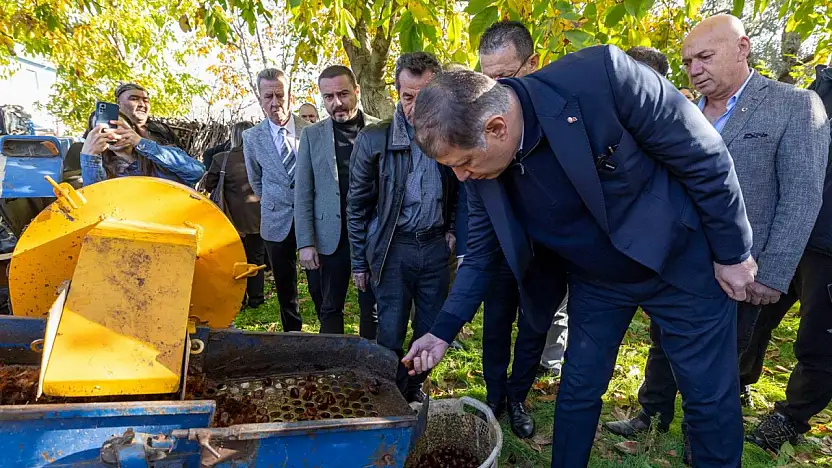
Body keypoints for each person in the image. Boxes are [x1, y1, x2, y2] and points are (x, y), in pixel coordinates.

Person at [404, 45, 758, 468]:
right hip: (596, 278)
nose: (462, 177)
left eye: (463, 164)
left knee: (708, 395)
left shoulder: (603, 77)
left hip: (679, 260)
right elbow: (480, 254)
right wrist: (441, 331)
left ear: (497, 127)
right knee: (578, 388)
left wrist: (733, 252)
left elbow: (705, 156)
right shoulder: (479, 167)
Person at [604, 15, 830, 463]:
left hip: (743, 273)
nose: (695, 69)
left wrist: (775, 273)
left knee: (717, 368)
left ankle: (700, 443)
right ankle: (652, 411)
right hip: (676, 261)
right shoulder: (680, 106)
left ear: (743, 47)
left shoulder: (795, 105)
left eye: (705, 57)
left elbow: (802, 194)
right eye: (688, 62)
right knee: (664, 339)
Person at [459, 19, 564, 439]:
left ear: (533, 63)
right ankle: (494, 394)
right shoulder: (481, 125)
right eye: (487, 79)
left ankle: (518, 396)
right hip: (498, 250)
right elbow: (472, 196)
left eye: (504, 77)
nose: (496, 90)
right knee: (496, 324)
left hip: (547, 254)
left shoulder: (560, 117)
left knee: (534, 325)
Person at [347, 52, 457, 402]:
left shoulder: (450, 133)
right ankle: (386, 393)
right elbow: (357, 206)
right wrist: (360, 262)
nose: (415, 106)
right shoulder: (374, 139)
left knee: (431, 327)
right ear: (398, 94)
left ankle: (412, 389)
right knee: (390, 331)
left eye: (424, 96)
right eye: (408, 97)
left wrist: (453, 230)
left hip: (436, 248)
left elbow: (464, 186)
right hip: (393, 248)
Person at [744, 64, 832, 452]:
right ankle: (737, 384)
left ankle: (789, 418)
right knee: (755, 316)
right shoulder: (823, 86)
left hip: (829, 246)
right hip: (789, 229)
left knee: (819, 340)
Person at [295, 65, 380, 335]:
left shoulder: (381, 129)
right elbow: (304, 192)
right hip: (330, 236)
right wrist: (306, 242)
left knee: (373, 307)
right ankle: (331, 370)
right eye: (328, 97)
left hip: (372, 234)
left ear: (357, 91)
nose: (337, 103)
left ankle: (370, 367)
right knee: (330, 307)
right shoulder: (311, 135)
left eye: (343, 94)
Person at [243, 68, 311, 332]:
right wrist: (274, 201)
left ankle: (328, 331)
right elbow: (256, 180)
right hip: (275, 219)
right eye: (268, 96)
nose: (275, 103)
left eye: (279, 96)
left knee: (318, 282)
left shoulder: (311, 131)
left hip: (310, 218)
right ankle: (292, 333)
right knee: (285, 284)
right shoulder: (251, 138)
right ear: (259, 98)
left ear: (289, 95)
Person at [204, 121, 265, 309]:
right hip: (259, 216)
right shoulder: (262, 157)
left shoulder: (221, 159)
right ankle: (256, 297)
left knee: (233, 259)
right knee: (256, 258)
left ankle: (237, 297)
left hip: (231, 218)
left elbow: (209, 185)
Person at [80, 113, 204, 187]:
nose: (112, 134)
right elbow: (96, 203)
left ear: (132, 128)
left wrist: (140, 143)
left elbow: (197, 172)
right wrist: (90, 157)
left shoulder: (162, 153)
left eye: (117, 126)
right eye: (103, 130)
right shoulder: (100, 170)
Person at [114, 83, 183, 149]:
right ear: (118, 102)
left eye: (146, 100)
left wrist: (141, 143)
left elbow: (182, 158)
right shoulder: (109, 128)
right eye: (134, 99)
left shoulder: (162, 129)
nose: (142, 105)